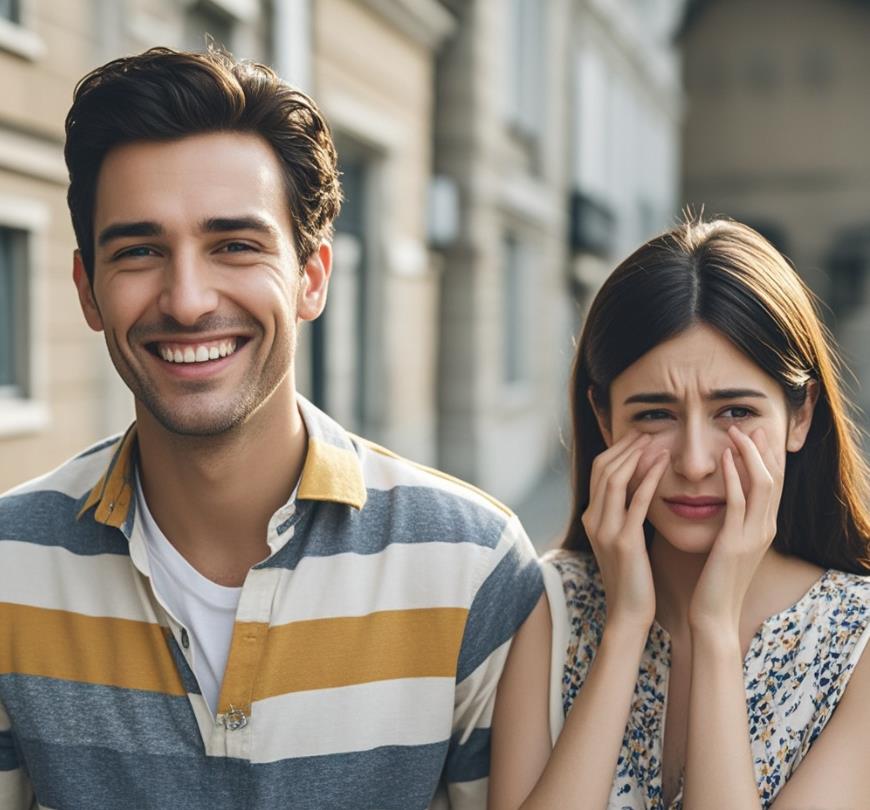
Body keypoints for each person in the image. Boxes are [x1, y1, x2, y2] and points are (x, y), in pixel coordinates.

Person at [0, 47, 543, 810]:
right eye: (140, 251)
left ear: (311, 277)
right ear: (88, 292)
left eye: (235, 245)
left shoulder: (472, 566)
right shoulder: (8, 567)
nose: (186, 300)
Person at [489, 218, 870, 809]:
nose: (694, 463)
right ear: (604, 418)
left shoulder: (856, 638)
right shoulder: (551, 604)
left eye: (736, 412)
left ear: (800, 416)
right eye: (654, 415)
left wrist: (714, 627)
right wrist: (624, 628)